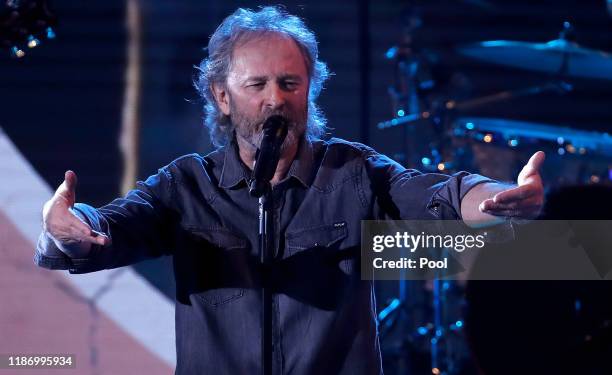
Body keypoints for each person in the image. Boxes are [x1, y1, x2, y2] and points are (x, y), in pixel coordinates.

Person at [34, 6, 545, 375]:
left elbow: (439, 194)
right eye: (257, 86)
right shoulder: (187, 184)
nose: (275, 99)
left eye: (289, 84)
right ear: (223, 96)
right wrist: (70, 232)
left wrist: (495, 200)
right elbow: (113, 226)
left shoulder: (353, 171)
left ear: (309, 90)